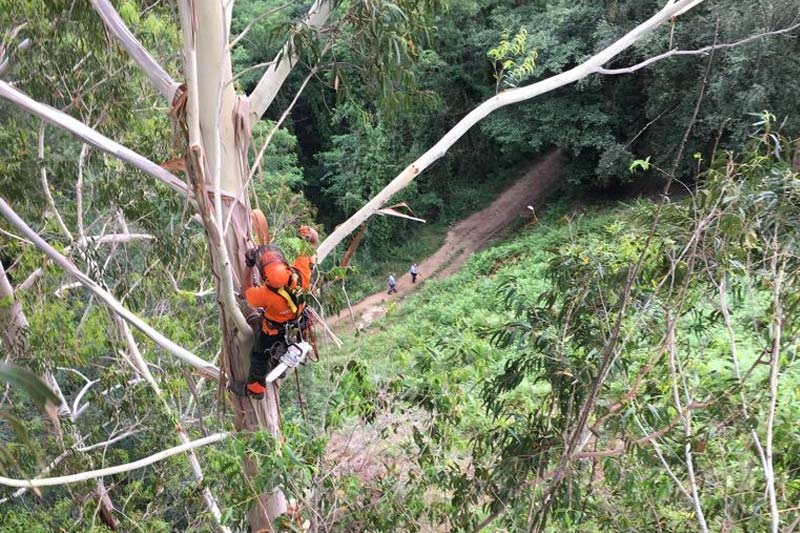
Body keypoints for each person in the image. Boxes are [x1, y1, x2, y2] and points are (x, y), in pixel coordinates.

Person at [233, 225, 319, 399]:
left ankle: (255, 390)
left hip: (272, 331)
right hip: (296, 324)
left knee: (258, 357)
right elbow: (312, 244)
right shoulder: (300, 277)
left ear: (265, 277)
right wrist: (306, 237)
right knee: (285, 345)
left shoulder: (264, 295)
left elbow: (245, 290)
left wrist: (249, 265)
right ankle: (280, 363)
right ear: (286, 267)